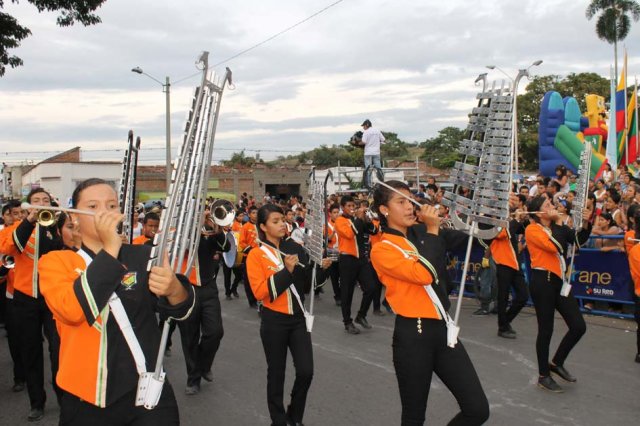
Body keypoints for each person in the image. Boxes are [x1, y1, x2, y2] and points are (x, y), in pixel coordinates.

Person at [38, 178, 195, 425]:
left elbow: (181, 310)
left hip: (147, 394)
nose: (104, 212)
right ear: (74, 217)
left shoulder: (143, 255)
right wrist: (110, 247)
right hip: (86, 400)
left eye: (111, 206)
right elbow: (73, 310)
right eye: (93, 206)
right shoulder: (55, 263)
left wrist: (174, 289)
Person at [370, 180, 489, 426]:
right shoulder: (382, 249)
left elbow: (470, 240)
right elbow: (424, 273)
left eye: (410, 201)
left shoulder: (423, 232)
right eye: (400, 202)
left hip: (443, 332)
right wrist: (433, 230)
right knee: (414, 418)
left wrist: (492, 217)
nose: (409, 207)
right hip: (413, 336)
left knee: (477, 409)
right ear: (384, 210)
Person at [246, 204, 331, 426]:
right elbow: (261, 293)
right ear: (263, 226)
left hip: (298, 320)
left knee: (306, 371)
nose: (282, 224)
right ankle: (278, 419)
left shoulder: (294, 248)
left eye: (283, 219)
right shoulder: (255, 255)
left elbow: (307, 286)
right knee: (276, 374)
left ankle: (295, 415)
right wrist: (287, 271)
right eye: (275, 221)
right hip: (274, 321)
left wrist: (323, 267)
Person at [0, 188, 64, 421]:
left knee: (57, 350)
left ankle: (63, 396)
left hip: (51, 297)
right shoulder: (13, 229)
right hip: (25, 298)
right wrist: (29, 221)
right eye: (35, 201)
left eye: (45, 200)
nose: (40, 204)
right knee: (31, 351)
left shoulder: (55, 225)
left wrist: (53, 227)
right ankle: (37, 402)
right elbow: (10, 249)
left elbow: (63, 252)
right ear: (27, 206)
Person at [524, 195, 591, 393]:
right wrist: (561, 222)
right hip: (542, 282)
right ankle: (544, 375)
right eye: (548, 205)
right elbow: (558, 246)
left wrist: (586, 222)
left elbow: (577, 240)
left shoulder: (555, 227)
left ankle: (557, 362)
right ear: (538, 212)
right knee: (546, 330)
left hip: (559, 282)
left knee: (578, 326)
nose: (553, 206)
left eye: (551, 203)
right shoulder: (532, 229)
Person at [334, 195, 377, 334]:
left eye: (354, 206)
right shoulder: (339, 221)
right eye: (349, 206)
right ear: (342, 207)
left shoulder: (357, 219)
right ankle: (347, 322)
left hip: (361, 260)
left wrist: (368, 219)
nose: (352, 209)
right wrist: (359, 219)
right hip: (347, 260)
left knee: (371, 288)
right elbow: (349, 234)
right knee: (347, 293)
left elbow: (374, 231)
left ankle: (361, 316)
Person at [240, 205, 259, 308]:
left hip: (259, 256)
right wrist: (252, 251)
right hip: (248, 256)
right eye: (253, 213)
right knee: (248, 279)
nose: (255, 215)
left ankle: (259, 298)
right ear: (249, 214)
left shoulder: (261, 226)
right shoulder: (245, 227)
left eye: (257, 213)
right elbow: (241, 243)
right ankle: (251, 301)